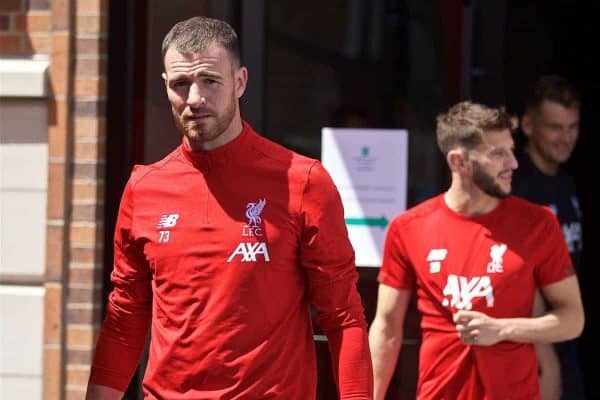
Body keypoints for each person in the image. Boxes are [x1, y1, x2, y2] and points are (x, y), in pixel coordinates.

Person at [85, 16, 373, 399]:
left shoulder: (302, 182)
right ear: (165, 86)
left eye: (210, 81)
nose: (194, 98)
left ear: (240, 82)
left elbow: (343, 317)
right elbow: (126, 317)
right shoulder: (145, 186)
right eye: (181, 84)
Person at [368, 101, 584, 399]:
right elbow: (386, 329)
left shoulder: (539, 223)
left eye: (511, 150)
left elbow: (573, 318)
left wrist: (504, 329)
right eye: (498, 154)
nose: (513, 163)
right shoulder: (409, 227)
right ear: (459, 162)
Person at [512, 75, 585, 400]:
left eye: (573, 127)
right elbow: (518, 275)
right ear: (528, 125)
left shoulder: (565, 182)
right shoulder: (517, 187)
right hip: (531, 338)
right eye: (556, 127)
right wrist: (546, 358)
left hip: (566, 330)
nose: (565, 138)